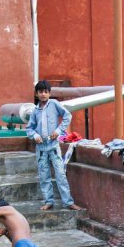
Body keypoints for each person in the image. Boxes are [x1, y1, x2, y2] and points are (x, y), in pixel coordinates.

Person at [25, 80, 83, 211]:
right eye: (40, 92)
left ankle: (68, 202)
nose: (43, 94)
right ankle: (48, 201)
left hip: (54, 146)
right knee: (44, 175)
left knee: (60, 174)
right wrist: (35, 136)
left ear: (49, 93)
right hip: (41, 148)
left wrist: (58, 131)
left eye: (46, 92)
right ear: (36, 94)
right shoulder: (35, 111)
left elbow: (67, 116)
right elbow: (29, 128)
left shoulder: (54, 104)